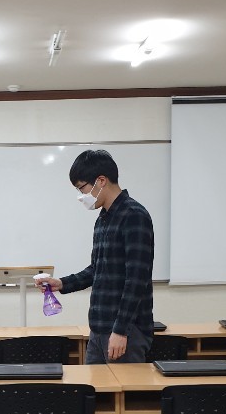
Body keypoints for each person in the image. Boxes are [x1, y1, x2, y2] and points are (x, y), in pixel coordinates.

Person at [36, 149, 154, 364]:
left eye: (82, 188)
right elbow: (96, 269)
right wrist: (61, 283)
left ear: (101, 181)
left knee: (122, 386)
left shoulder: (134, 215)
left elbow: (137, 279)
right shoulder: (102, 219)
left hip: (125, 332)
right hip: (99, 328)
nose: (81, 195)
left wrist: (121, 330)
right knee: (93, 385)